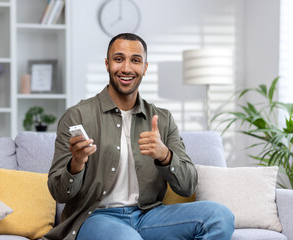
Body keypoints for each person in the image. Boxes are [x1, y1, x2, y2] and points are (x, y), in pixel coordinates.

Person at [44, 33, 234, 240]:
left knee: (220, 216)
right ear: (107, 64)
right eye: (118, 59)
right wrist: (77, 163)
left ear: (145, 67)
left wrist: (165, 156)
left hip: (149, 216)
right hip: (96, 218)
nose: (126, 68)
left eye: (135, 60)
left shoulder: (162, 119)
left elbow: (187, 186)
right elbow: (59, 193)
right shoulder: (77, 116)